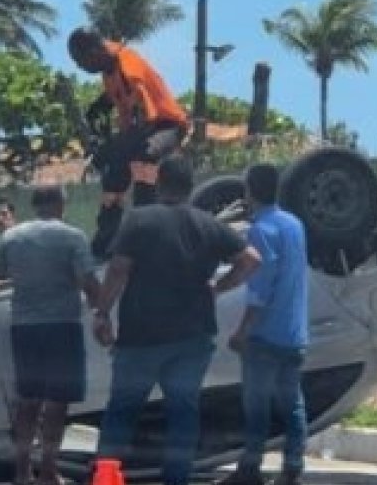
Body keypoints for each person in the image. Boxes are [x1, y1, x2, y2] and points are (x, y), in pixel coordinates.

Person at [92, 155, 261, 485]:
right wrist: (218, 288)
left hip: (141, 335)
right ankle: (177, 479)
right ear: (190, 186)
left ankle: (107, 478)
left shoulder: (138, 220)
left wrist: (102, 312)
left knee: (122, 412)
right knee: (183, 412)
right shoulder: (207, 224)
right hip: (192, 337)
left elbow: (118, 269)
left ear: (159, 182)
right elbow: (251, 260)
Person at [0, 185, 101, 485]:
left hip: (25, 328)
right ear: (61, 203)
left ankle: (22, 471)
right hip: (63, 326)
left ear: (34, 206)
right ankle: (48, 468)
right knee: (58, 403)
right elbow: (88, 280)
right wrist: (103, 311)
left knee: (28, 400)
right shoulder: (73, 236)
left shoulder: (12, 237)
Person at [216, 163, 310, 485]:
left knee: (256, 406)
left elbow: (260, 289)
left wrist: (242, 330)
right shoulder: (295, 225)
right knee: (292, 403)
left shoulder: (260, 230)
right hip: (294, 331)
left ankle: (250, 468)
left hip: (265, 334)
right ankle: (293, 466)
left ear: (249, 190)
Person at [67, 27, 191, 258]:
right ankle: (106, 237)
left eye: (80, 60)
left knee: (144, 157)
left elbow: (145, 121)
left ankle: (147, 224)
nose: (80, 67)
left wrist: (115, 147)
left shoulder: (129, 69)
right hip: (141, 130)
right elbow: (119, 101)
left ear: (95, 51)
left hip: (167, 125)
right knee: (113, 173)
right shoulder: (108, 67)